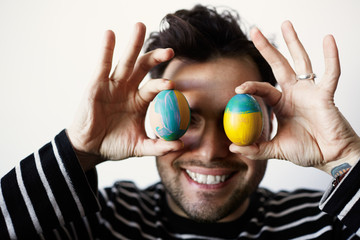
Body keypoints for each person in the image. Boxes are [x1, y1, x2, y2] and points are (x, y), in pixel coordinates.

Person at [1, 4, 360, 239]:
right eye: (185, 118)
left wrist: (344, 154)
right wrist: (77, 150)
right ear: (151, 120)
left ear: (270, 124)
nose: (211, 152)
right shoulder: (98, 221)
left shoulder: (326, 222)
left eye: (238, 118)